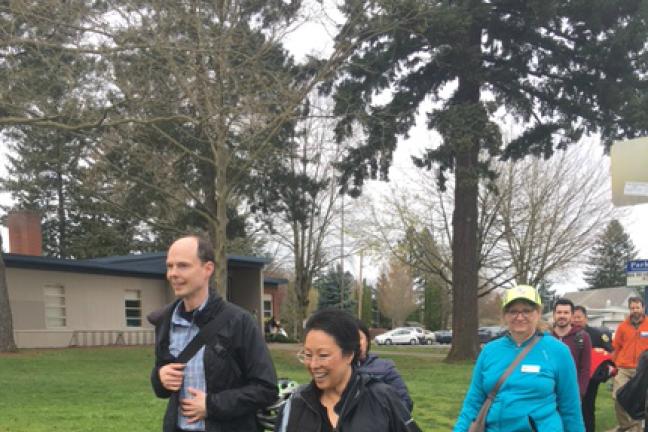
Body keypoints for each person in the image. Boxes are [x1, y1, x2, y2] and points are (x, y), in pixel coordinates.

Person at [151, 234, 278, 432]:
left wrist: (211, 405)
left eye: (183, 265)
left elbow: (266, 389)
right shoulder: (166, 321)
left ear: (207, 269)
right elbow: (161, 388)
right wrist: (160, 377)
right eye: (169, 266)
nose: (173, 274)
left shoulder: (239, 322)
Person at [454, 285, 584, 432]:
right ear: (505, 315)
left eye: (527, 311)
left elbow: (571, 409)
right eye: (513, 311)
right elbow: (473, 402)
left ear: (538, 313)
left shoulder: (558, 351)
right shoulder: (489, 351)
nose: (519, 317)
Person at [275, 308, 421, 432]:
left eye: (323, 355)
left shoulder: (382, 399)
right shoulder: (295, 404)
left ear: (349, 355)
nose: (313, 365)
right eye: (307, 355)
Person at [573, 305, 616, 432]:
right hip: (571, 377)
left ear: (586, 318)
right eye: (574, 317)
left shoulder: (597, 334)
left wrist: (600, 353)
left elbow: (610, 353)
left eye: (579, 317)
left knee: (588, 407)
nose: (576, 320)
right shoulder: (569, 334)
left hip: (591, 378)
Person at [357, 320, 414, 411]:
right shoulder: (337, 369)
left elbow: (404, 402)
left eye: (359, 338)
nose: (356, 343)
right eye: (350, 339)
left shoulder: (385, 368)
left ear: (367, 341)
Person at [612, 296, 648, 432]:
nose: (635, 311)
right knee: (618, 397)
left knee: (643, 402)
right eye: (632, 308)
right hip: (624, 369)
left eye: (637, 307)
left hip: (644, 371)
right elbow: (616, 348)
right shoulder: (622, 327)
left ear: (643, 308)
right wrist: (615, 366)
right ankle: (629, 427)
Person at [552, 298, 592, 398]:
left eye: (566, 312)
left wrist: (580, 392)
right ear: (554, 314)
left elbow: (585, 368)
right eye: (559, 312)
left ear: (572, 315)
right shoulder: (546, 336)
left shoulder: (583, 337)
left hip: (571, 392)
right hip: (548, 391)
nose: (562, 316)